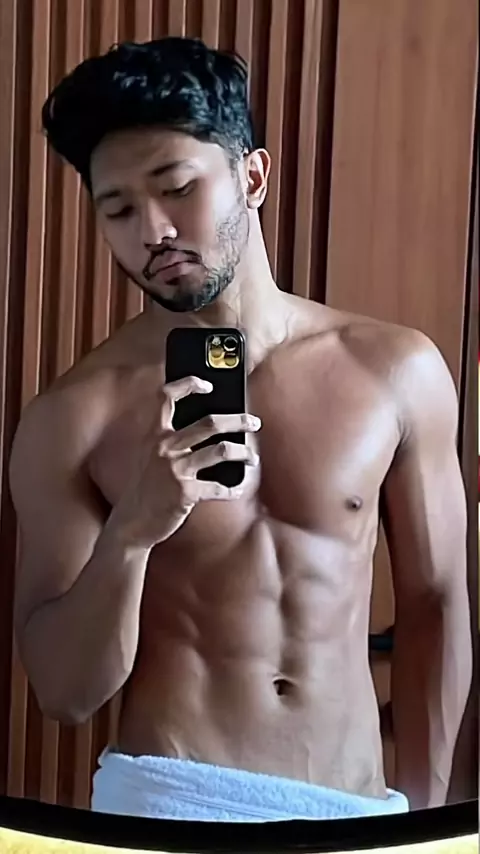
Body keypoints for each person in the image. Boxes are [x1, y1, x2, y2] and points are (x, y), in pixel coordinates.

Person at [9, 38, 472, 822]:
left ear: (252, 177)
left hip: (354, 810)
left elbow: (435, 602)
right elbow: (64, 693)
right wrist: (133, 531)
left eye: (177, 189)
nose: (153, 230)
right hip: (168, 802)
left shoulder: (396, 371)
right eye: (118, 210)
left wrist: (425, 819)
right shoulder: (74, 417)